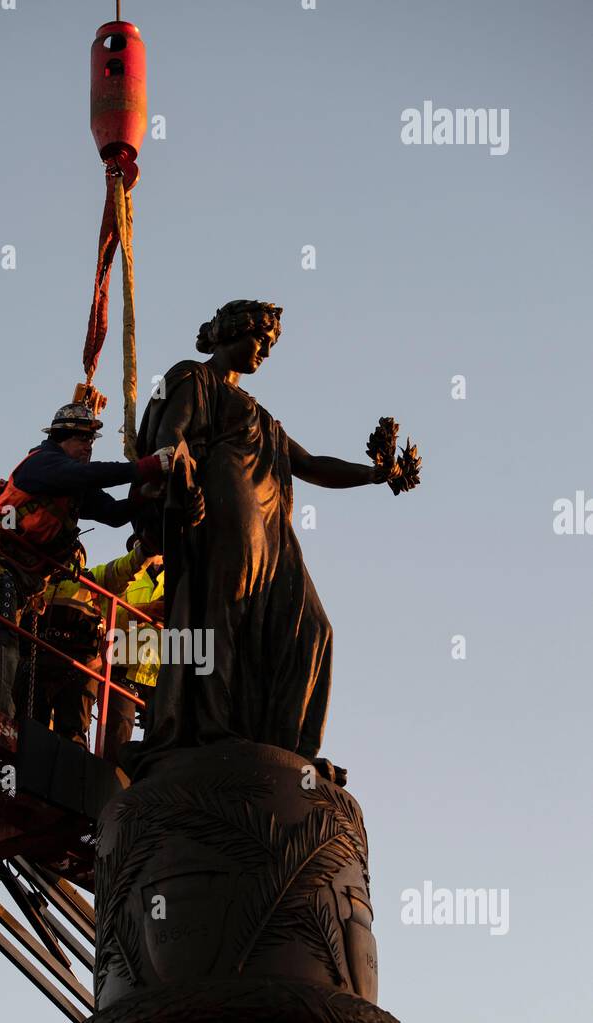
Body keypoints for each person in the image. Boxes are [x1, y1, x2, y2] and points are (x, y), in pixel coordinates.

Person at [123, 299, 420, 780]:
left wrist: (373, 473)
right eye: (259, 338)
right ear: (228, 334)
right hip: (224, 511)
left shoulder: (263, 418)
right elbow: (169, 438)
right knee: (221, 617)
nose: (265, 350)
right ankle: (212, 730)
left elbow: (311, 465)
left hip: (271, 529)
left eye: (271, 344)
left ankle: (286, 748)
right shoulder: (193, 379)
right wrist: (186, 484)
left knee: (313, 627)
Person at [0, 402, 172, 719]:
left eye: (91, 442)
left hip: (21, 579)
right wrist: (144, 467)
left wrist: (144, 494)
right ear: (63, 438)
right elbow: (86, 474)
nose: (88, 448)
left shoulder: (71, 487)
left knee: (5, 644)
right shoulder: (42, 465)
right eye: (83, 441)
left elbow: (114, 515)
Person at [17, 536, 160, 748]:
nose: (68, 558)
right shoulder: (35, 584)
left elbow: (123, 571)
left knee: (72, 735)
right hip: (38, 663)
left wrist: (147, 549)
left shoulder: (93, 581)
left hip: (78, 669)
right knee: (28, 729)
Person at [102, 533, 165, 766]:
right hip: (124, 669)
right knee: (118, 732)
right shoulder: (124, 580)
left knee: (162, 742)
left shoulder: (180, 579)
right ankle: (112, 783)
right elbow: (108, 616)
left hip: (160, 675)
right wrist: (144, 611)